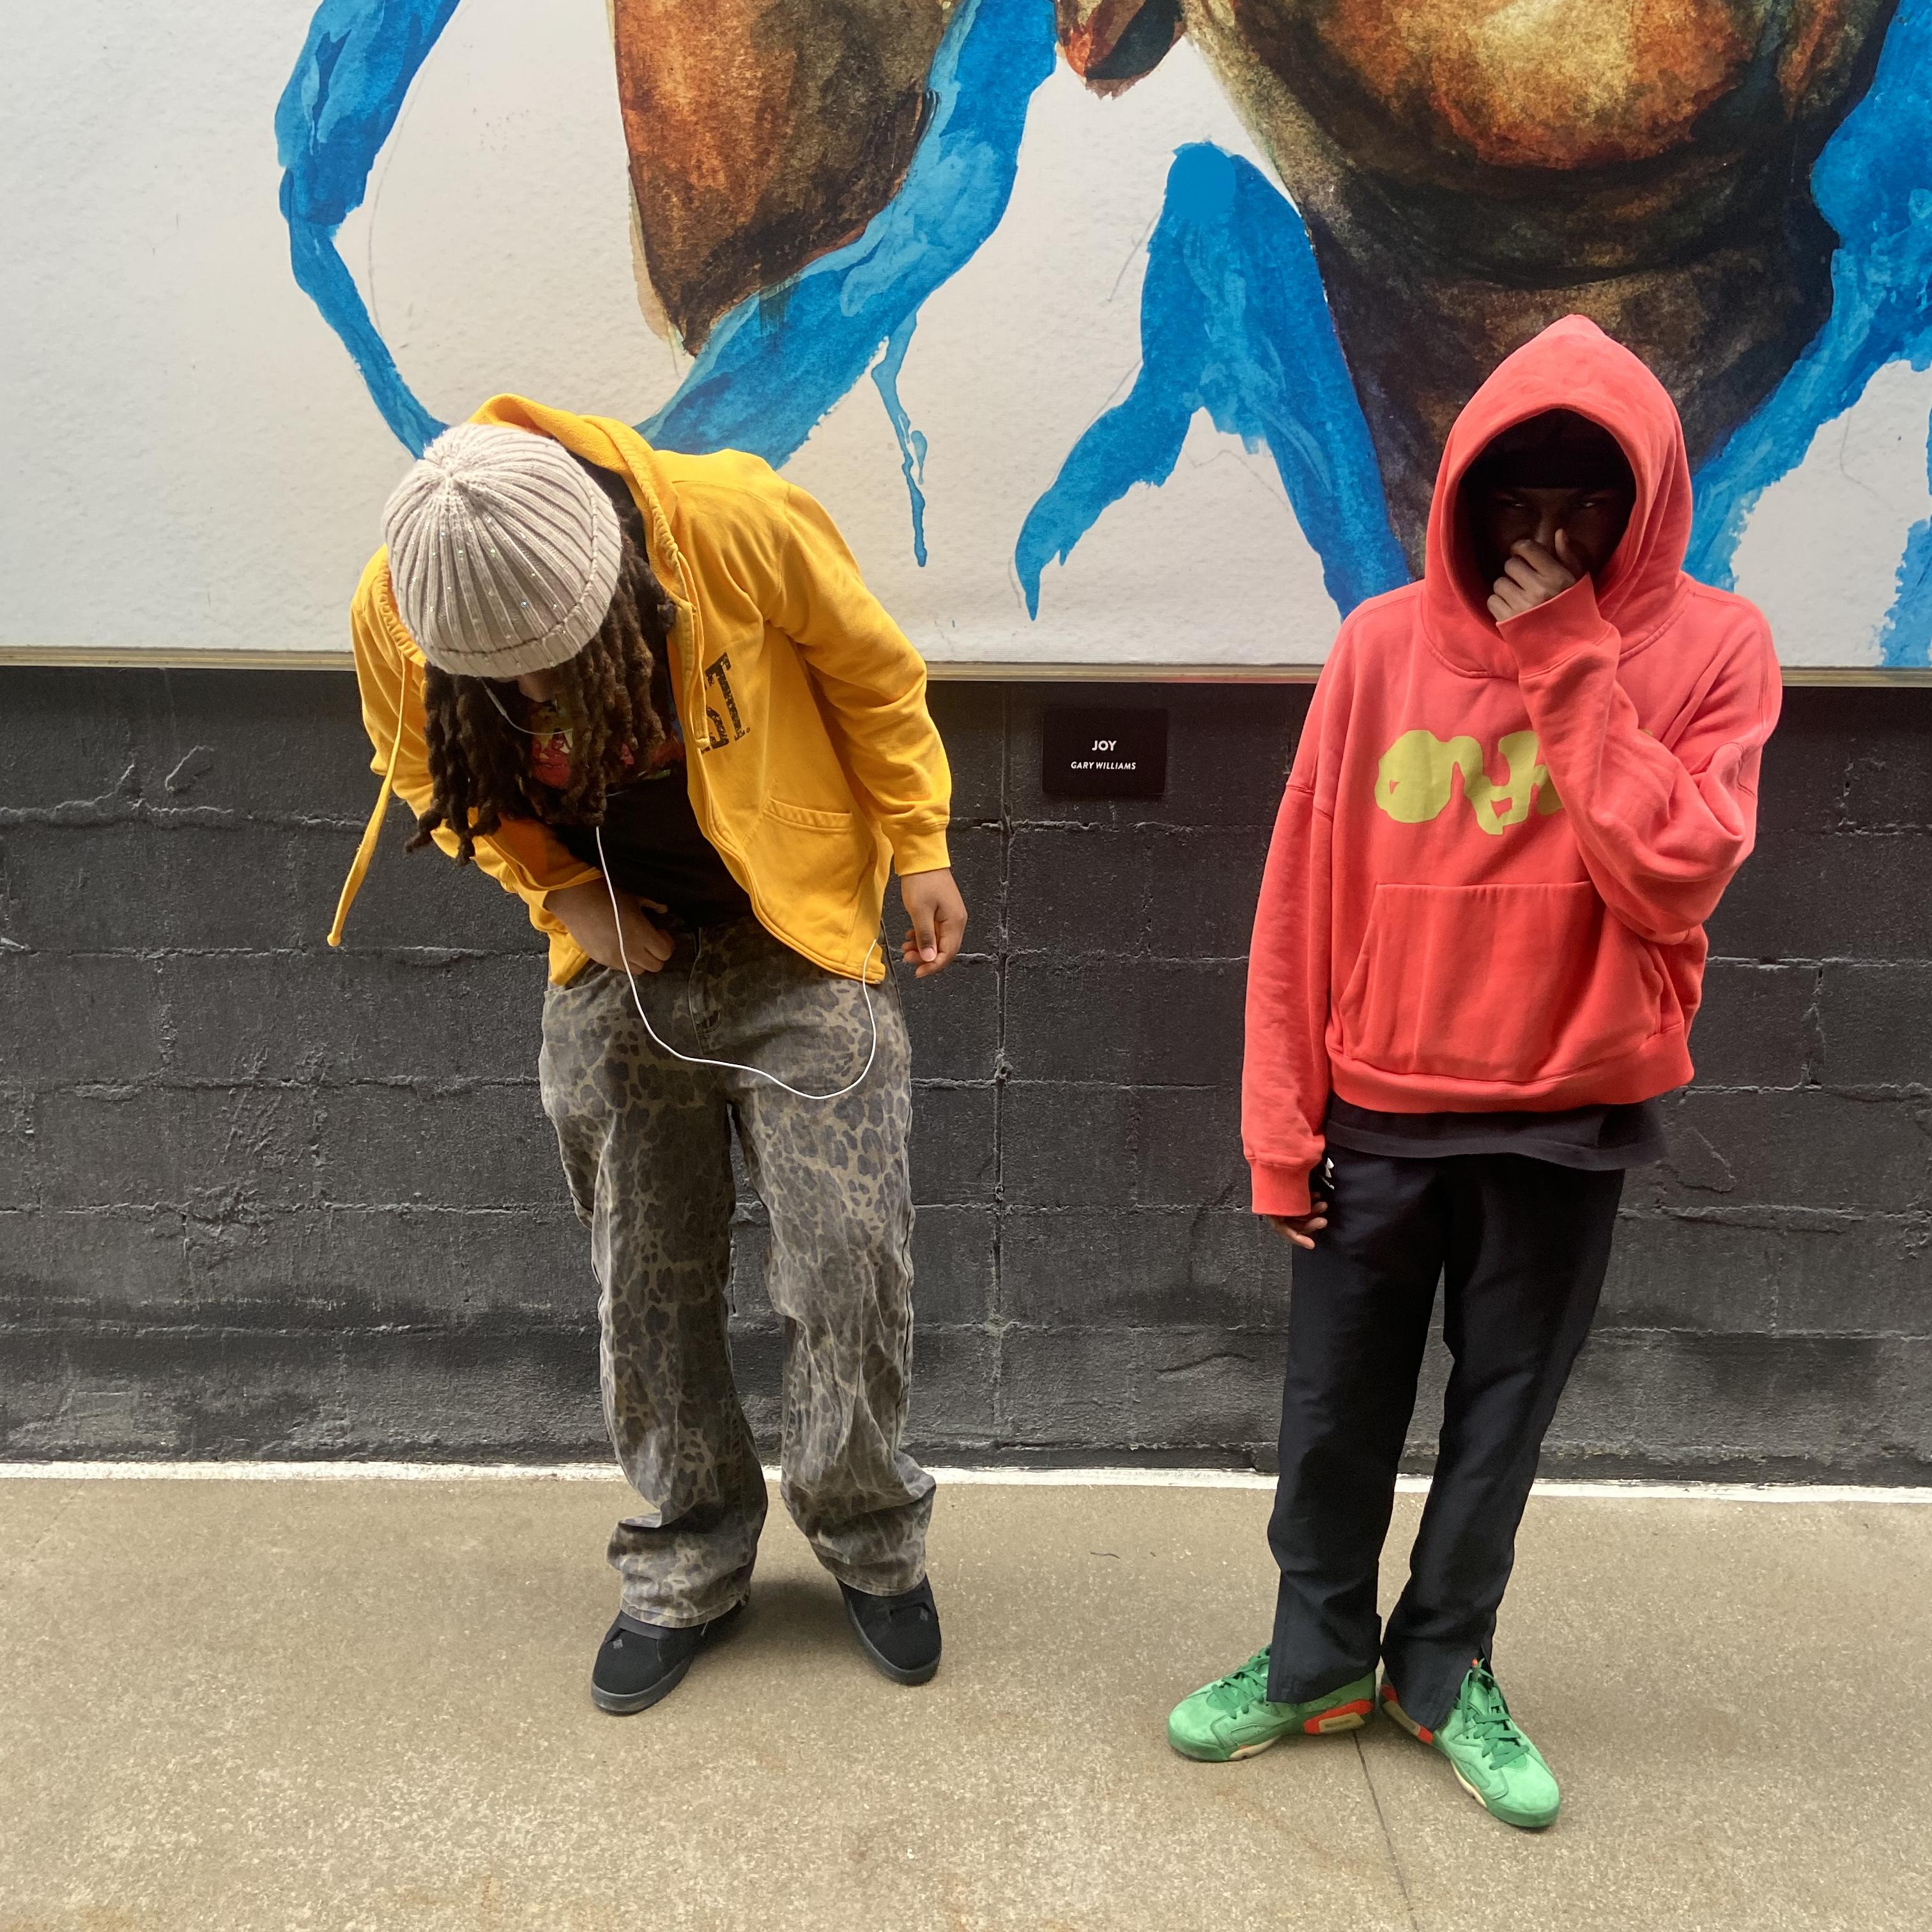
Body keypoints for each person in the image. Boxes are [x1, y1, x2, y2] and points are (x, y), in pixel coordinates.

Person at [1167, 317, 1781, 1828]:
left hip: (1570, 1117)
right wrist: (1278, 1131)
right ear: (1464, 497)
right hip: (1378, 1110)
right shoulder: (1381, 647)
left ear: (1644, 504)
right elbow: (1301, 900)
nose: (1549, 538)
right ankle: (1316, 1664)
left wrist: (1571, 662)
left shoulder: (1715, 649)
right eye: (1518, 502)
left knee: (1500, 1426)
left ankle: (1445, 1673)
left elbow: (1678, 871)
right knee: (1332, 1418)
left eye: (1587, 506)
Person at [327, 398, 967, 1713]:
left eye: (552, 661)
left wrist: (921, 844)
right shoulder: (397, 607)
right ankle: (686, 1556)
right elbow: (420, 767)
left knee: (849, 1260)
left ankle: (870, 1538)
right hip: (621, 960)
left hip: (795, 939)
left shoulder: (733, 522)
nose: (530, 699)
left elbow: (872, 673)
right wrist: (562, 891)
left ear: (612, 571)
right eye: (497, 680)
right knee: (645, 1282)